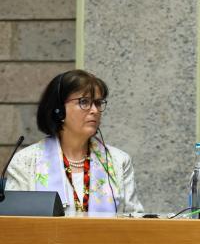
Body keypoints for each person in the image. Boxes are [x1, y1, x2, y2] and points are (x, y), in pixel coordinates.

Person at [6, 70, 143, 215]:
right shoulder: (26, 161)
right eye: (84, 102)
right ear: (59, 110)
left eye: (97, 103)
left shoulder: (118, 161)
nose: (95, 110)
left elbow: (135, 219)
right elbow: (13, 223)